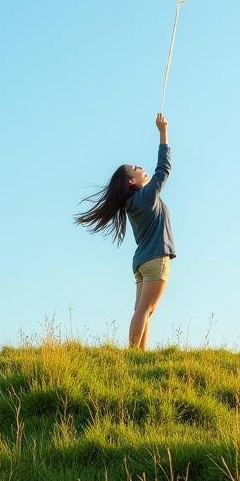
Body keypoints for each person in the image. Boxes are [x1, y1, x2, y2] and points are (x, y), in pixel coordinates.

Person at [73, 112, 176, 349]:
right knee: (145, 310)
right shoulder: (145, 197)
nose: (141, 167)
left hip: (141, 263)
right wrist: (163, 133)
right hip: (155, 260)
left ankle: (139, 356)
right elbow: (164, 170)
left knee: (143, 311)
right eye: (136, 168)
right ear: (131, 181)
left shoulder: (133, 203)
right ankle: (132, 354)